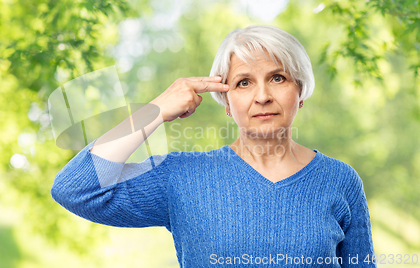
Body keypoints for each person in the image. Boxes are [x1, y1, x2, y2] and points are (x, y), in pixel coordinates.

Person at [51, 25, 376, 267]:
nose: (262, 96)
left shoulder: (340, 181)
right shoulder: (181, 177)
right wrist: (155, 111)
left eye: (278, 78)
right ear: (225, 101)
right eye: (243, 82)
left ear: (300, 92)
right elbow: (75, 188)